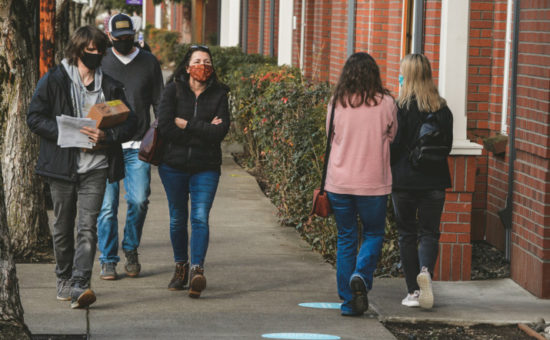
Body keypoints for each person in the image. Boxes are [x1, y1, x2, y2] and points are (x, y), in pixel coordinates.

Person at [27, 25, 136, 309]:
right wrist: (66, 131)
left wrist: (108, 136)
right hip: (62, 167)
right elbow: (34, 118)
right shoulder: (54, 79)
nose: (96, 55)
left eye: (100, 50)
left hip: (96, 167)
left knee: (87, 228)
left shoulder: (110, 85)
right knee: (63, 227)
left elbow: (131, 122)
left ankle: (80, 284)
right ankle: (63, 277)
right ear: (77, 50)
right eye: (90, 50)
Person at [325, 52, 397, 316]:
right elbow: (393, 135)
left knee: (346, 238)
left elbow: (328, 135)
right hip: (373, 183)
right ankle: (361, 275)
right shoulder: (387, 102)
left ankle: (348, 302)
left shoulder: (337, 102)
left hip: (339, 182)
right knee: (374, 233)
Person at [157, 45, 230, 298]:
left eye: (207, 61)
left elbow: (220, 132)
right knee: (178, 218)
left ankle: (197, 270)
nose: (203, 65)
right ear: (187, 67)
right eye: (198, 61)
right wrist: (203, 131)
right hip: (172, 166)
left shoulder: (220, 94)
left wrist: (187, 125)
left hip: (206, 167)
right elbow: (165, 127)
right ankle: (181, 267)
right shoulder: (172, 90)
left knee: (199, 217)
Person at [96, 13, 164, 280]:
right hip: (108, 144)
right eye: (118, 38)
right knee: (107, 206)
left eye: (128, 37)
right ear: (109, 36)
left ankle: (131, 248)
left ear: (134, 36)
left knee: (138, 200)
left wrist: (159, 132)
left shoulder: (148, 62)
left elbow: (159, 101)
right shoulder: (101, 60)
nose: (124, 42)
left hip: (139, 145)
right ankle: (108, 259)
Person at [390, 54, 453, 309]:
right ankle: (425, 271)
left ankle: (413, 292)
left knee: (407, 234)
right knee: (429, 233)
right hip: (434, 181)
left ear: (408, 76)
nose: (399, 76)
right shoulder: (442, 109)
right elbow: (446, 147)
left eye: (401, 72)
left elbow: (392, 148)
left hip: (404, 181)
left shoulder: (399, 109)